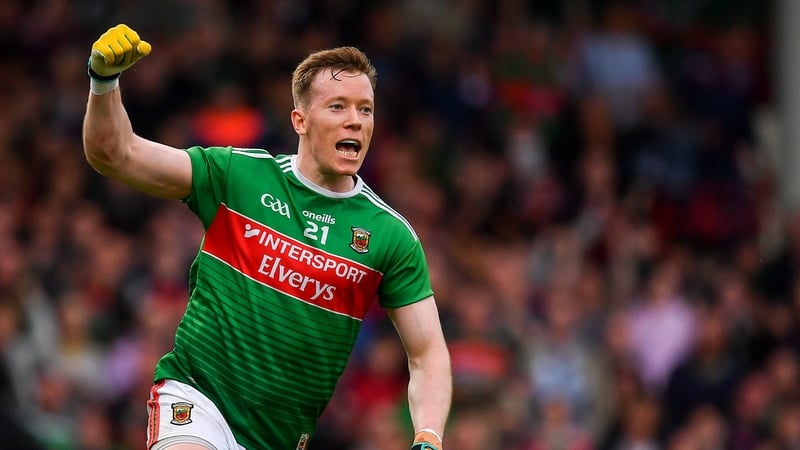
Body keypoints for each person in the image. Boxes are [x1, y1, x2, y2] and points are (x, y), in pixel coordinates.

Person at [82, 24, 452, 450]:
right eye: (337, 106)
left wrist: (428, 437)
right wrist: (103, 82)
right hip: (196, 399)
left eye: (365, 109)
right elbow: (116, 154)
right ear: (300, 120)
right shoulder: (237, 175)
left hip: (278, 438)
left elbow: (428, 353)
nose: (355, 120)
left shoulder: (390, 235)